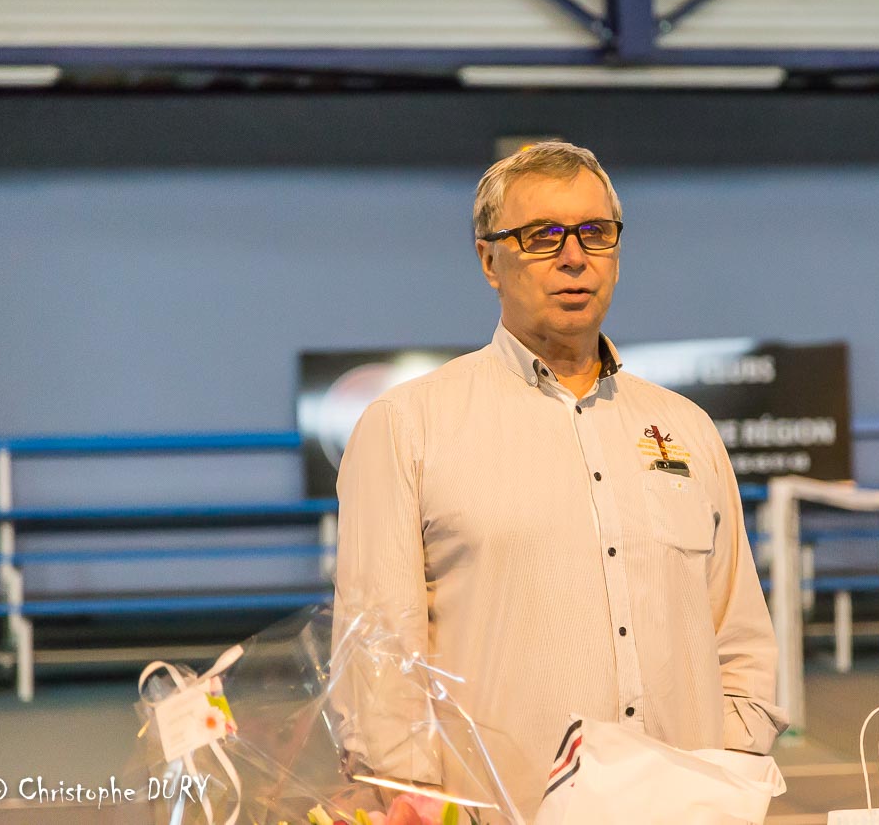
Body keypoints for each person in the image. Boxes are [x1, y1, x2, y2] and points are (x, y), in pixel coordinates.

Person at [333, 141, 787, 819]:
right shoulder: (406, 426)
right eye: (542, 236)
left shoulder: (685, 428)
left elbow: (739, 634)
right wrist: (409, 797)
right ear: (489, 260)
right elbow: (379, 654)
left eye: (595, 232)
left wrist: (732, 770)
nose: (574, 257)